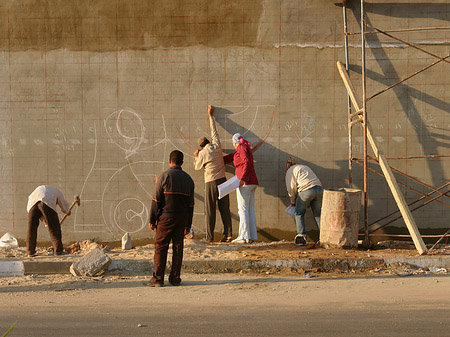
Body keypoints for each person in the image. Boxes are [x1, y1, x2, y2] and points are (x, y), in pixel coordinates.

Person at [147, 150, 195, 287]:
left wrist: (152, 220)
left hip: (165, 218)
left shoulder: (163, 177)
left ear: (169, 161)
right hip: (182, 219)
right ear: (182, 163)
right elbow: (191, 205)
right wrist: (188, 225)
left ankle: (158, 279)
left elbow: (156, 200)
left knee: (161, 247)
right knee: (178, 248)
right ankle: (175, 278)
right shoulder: (189, 180)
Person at [193, 105, 232, 243]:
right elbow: (214, 131)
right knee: (224, 209)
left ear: (201, 146)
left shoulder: (203, 153)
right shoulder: (217, 145)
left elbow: (197, 167)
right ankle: (228, 234)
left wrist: (196, 156)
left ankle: (210, 237)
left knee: (210, 211)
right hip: (223, 180)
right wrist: (210, 116)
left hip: (211, 182)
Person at [223, 133, 259, 244]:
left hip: (245, 182)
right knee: (249, 210)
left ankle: (243, 236)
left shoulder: (241, 147)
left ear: (235, 142)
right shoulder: (244, 148)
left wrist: (242, 178)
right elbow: (230, 158)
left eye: (233, 144)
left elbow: (247, 162)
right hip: (251, 182)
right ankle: (251, 236)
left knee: (242, 210)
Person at [285, 157, 323, 246]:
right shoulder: (303, 167)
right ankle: (324, 237)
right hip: (319, 189)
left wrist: (293, 201)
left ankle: (301, 235)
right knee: (318, 215)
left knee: (298, 213)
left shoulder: (290, 171)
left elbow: (291, 188)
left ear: (287, 166)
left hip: (306, 190)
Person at [26, 185, 71, 257]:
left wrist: (46, 221)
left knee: (31, 229)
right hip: (46, 202)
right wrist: (67, 211)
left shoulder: (40, 190)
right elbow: (63, 205)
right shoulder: (57, 192)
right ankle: (58, 251)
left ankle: (30, 252)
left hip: (32, 205)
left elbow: (39, 211)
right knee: (54, 228)